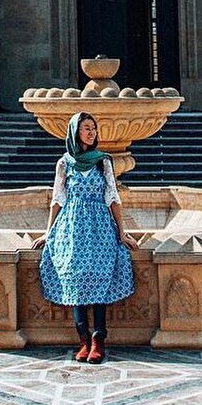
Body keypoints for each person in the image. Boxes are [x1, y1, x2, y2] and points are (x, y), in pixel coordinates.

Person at [37, 111, 137, 363]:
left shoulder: (103, 161)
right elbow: (58, 199)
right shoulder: (64, 163)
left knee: (100, 274)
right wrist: (48, 233)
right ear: (75, 132)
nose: (91, 133)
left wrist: (121, 232)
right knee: (75, 277)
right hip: (72, 227)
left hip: (99, 226)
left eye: (93, 128)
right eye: (86, 128)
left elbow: (112, 197)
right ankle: (83, 339)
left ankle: (98, 339)